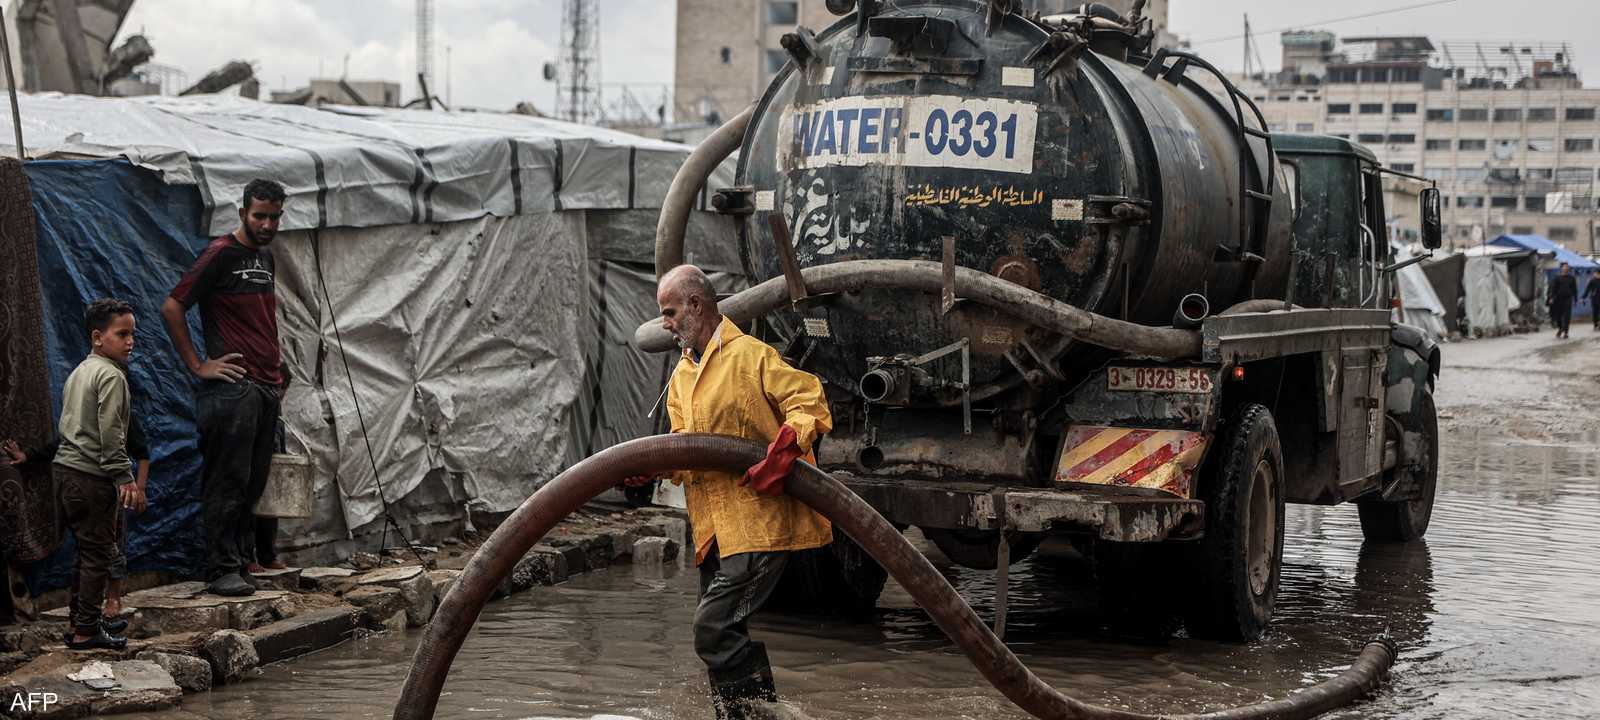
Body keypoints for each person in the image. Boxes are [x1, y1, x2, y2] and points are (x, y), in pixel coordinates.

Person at [625, 265, 833, 719]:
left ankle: (750, 715)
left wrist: (784, 448)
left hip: (758, 524)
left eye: (670, 311)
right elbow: (688, 447)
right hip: (714, 532)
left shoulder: (752, 356)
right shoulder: (681, 375)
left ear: (697, 306)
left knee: (711, 630)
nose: (665, 323)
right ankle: (752, 714)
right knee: (723, 632)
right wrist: (655, 469)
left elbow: (809, 401)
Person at [161, 179, 288, 597]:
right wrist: (198, 364)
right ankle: (220, 569)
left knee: (253, 482)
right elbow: (173, 305)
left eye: (274, 216)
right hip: (235, 388)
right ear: (242, 214)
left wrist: (278, 365)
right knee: (227, 481)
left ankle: (241, 561)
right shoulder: (221, 254)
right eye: (259, 216)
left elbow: (260, 320)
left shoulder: (264, 257)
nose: (267, 224)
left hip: (267, 385)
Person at [3, 381, 149, 623]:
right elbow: (58, 446)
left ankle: (113, 598)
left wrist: (139, 488)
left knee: (111, 546)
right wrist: (26, 455)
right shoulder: (81, 420)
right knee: (87, 551)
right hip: (82, 487)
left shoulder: (122, 416)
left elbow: (142, 454)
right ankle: (81, 611)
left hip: (112, 489)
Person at [51, 299, 146, 649]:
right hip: (91, 477)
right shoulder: (111, 375)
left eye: (133, 334)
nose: (130, 341)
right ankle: (86, 631)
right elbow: (111, 434)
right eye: (122, 334)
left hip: (64, 473)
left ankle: (79, 621)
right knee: (98, 556)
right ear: (97, 337)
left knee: (86, 553)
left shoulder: (79, 372)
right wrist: (125, 477)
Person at [1548, 262, 1578, 339]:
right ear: (1561, 268)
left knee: (1567, 316)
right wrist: (1551, 297)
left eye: (1567, 267)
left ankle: (1566, 332)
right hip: (1558, 299)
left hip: (1568, 299)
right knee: (1558, 316)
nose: (1566, 268)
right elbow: (1553, 288)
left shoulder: (1571, 278)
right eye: (1564, 267)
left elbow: (1574, 289)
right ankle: (1560, 328)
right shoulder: (1557, 278)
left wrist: (1575, 299)